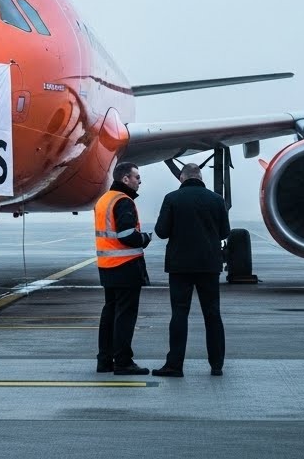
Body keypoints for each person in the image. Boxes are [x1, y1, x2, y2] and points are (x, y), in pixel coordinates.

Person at [152, 162, 230, 377]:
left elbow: (161, 232)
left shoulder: (172, 198)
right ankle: (217, 365)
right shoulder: (216, 200)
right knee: (212, 315)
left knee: (179, 314)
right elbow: (225, 231)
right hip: (209, 265)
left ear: (182, 178)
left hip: (180, 266)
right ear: (201, 177)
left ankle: (175, 365)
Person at [94, 161, 154, 375]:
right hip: (125, 267)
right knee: (125, 316)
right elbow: (127, 235)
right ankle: (123, 361)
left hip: (107, 266)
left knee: (109, 313)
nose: (140, 181)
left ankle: (104, 360)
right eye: (137, 177)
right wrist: (145, 238)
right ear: (125, 179)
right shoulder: (123, 201)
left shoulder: (104, 200)